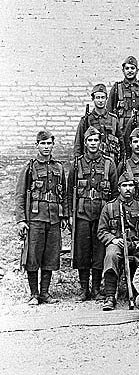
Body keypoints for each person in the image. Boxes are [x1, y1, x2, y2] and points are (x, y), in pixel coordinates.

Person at [15, 130, 68, 305]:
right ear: (36, 145)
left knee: (50, 255)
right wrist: (21, 220)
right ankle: (34, 294)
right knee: (33, 256)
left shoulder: (59, 167)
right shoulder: (29, 168)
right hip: (36, 218)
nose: (46, 147)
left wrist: (65, 215)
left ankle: (45, 293)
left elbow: (65, 194)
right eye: (42, 143)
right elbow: (20, 195)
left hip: (54, 218)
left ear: (53, 145)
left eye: (49, 143)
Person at [68, 126, 118, 301]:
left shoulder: (108, 163)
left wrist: (112, 215)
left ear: (100, 142)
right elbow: (69, 192)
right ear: (85, 142)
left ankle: (96, 288)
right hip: (82, 213)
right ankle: (84, 288)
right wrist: (69, 215)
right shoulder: (77, 164)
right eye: (90, 140)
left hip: (102, 214)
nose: (93, 143)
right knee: (82, 251)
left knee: (99, 251)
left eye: (96, 140)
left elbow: (114, 191)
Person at [97, 172, 139, 311]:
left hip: (137, 244)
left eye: (131, 185)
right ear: (119, 188)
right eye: (124, 186)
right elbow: (101, 231)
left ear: (135, 188)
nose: (128, 189)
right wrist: (113, 239)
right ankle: (110, 296)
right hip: (119, 244)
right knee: (111, 255)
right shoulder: (109, 207)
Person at [73, 83, 123, 164]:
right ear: (93, 99)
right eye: (97, 97)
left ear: (106, 98)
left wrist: (121, 161)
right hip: (91, 163)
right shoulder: (86, 120)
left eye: (103, 97)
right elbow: (78, 144)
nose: (100, 100)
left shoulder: (113, 119)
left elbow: (121, 142)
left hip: (111, 162)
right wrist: (78, 162)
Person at [107, 55, 139, 133]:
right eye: (127, 68)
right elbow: (109, 110)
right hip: (122, 129)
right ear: (123, 70)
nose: (130, 71)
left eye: (132, 68)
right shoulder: (117, 87)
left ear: (137, 70)